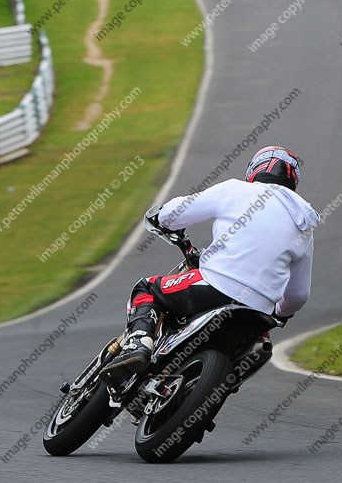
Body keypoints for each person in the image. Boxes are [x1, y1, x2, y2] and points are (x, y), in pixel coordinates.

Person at [100, 146, 319, 387]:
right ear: (293, 180)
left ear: (254, 169)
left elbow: (175, 213)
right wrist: (279, 312)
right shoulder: (304, 221)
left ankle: (139, 344)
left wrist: (162, 217)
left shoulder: (236, 189)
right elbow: (298, 295)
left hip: (213, 286)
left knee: (147, 288)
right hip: (258, 313)